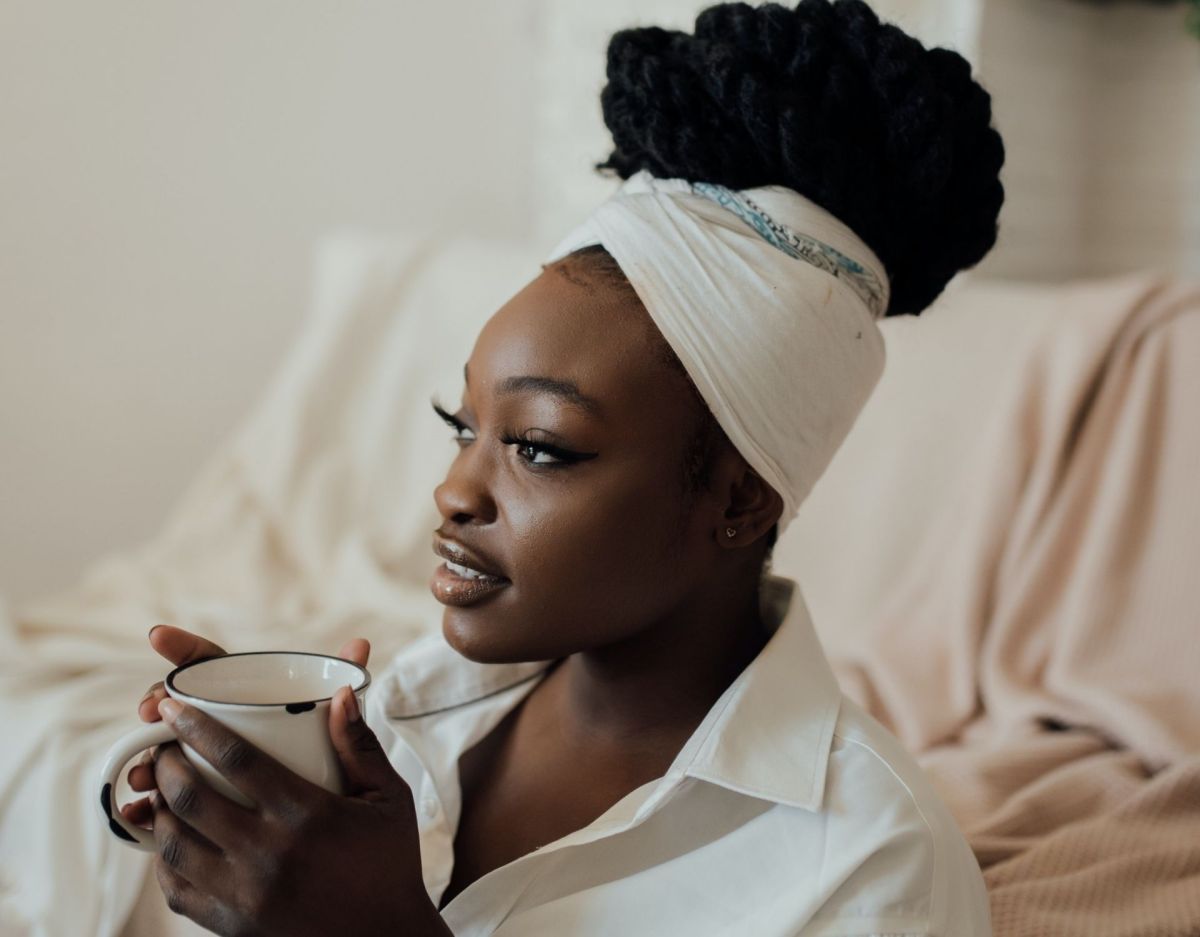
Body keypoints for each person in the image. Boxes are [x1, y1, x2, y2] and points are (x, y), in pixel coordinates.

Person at [122, 1, 1004, 933]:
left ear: (737, 495)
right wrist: (251, 790)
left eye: (539, 447)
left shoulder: (869, 868)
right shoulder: (407, 715)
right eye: (460, 426)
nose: (454, 493)